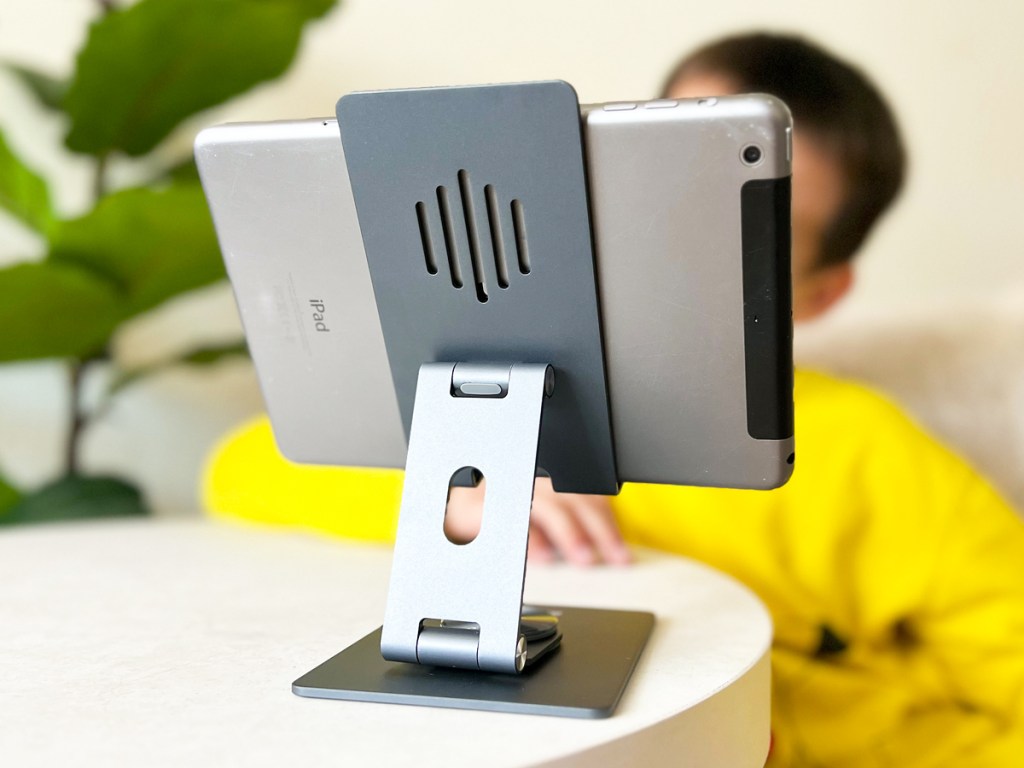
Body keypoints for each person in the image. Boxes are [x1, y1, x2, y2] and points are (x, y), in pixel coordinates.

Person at [205, 33, 1024, 765]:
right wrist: (463, 501)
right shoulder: (486, 368)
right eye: (658, 176)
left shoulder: (863, 451)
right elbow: (243, 467)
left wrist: (802, 725)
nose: (672, 238)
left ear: (821, 292)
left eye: (743, 219)